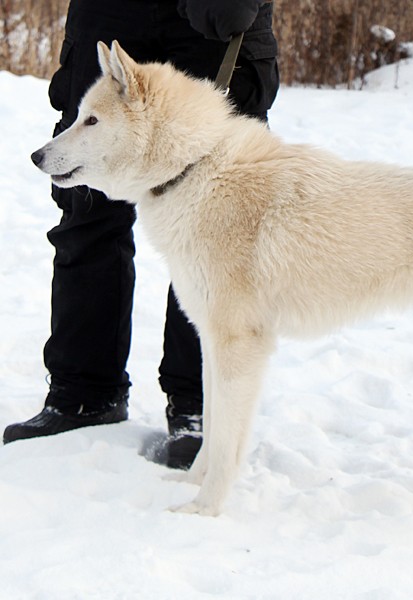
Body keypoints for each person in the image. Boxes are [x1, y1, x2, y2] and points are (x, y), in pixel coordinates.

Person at [2, 0, 279, 469]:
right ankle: (85, 393)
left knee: (217, 217)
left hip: (210, 20)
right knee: (85, 199)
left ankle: (200, 406)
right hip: (112, 10)